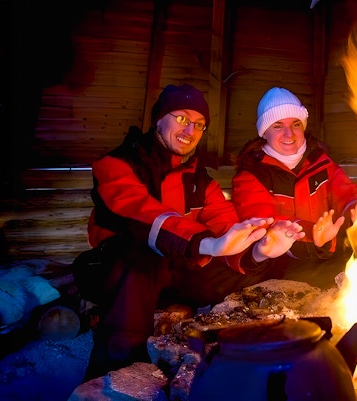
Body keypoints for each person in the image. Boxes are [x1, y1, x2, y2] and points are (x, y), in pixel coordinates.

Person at [79, 83, 304, 381]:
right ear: (159, 119)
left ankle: (241, 353)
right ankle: (119, 375)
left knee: (255, 267)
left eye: (199, 125)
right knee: (139, 257)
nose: (190, 130)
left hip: (177, 273)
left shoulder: (202, 181)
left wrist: (259, 250)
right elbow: (143, 214)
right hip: (116, 271)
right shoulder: (116, 165)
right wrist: (206, 244)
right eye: (182, 119)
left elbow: (226, 227)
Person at [231, 87, 357, 290]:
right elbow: (265, 222)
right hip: (277, 270)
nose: (289, 133)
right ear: (263, 132)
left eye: (296, 124)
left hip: (324, 255)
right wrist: (312, 235)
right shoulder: (251, 175)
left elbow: (346, 192)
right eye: (277, 126)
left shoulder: (320, 161)